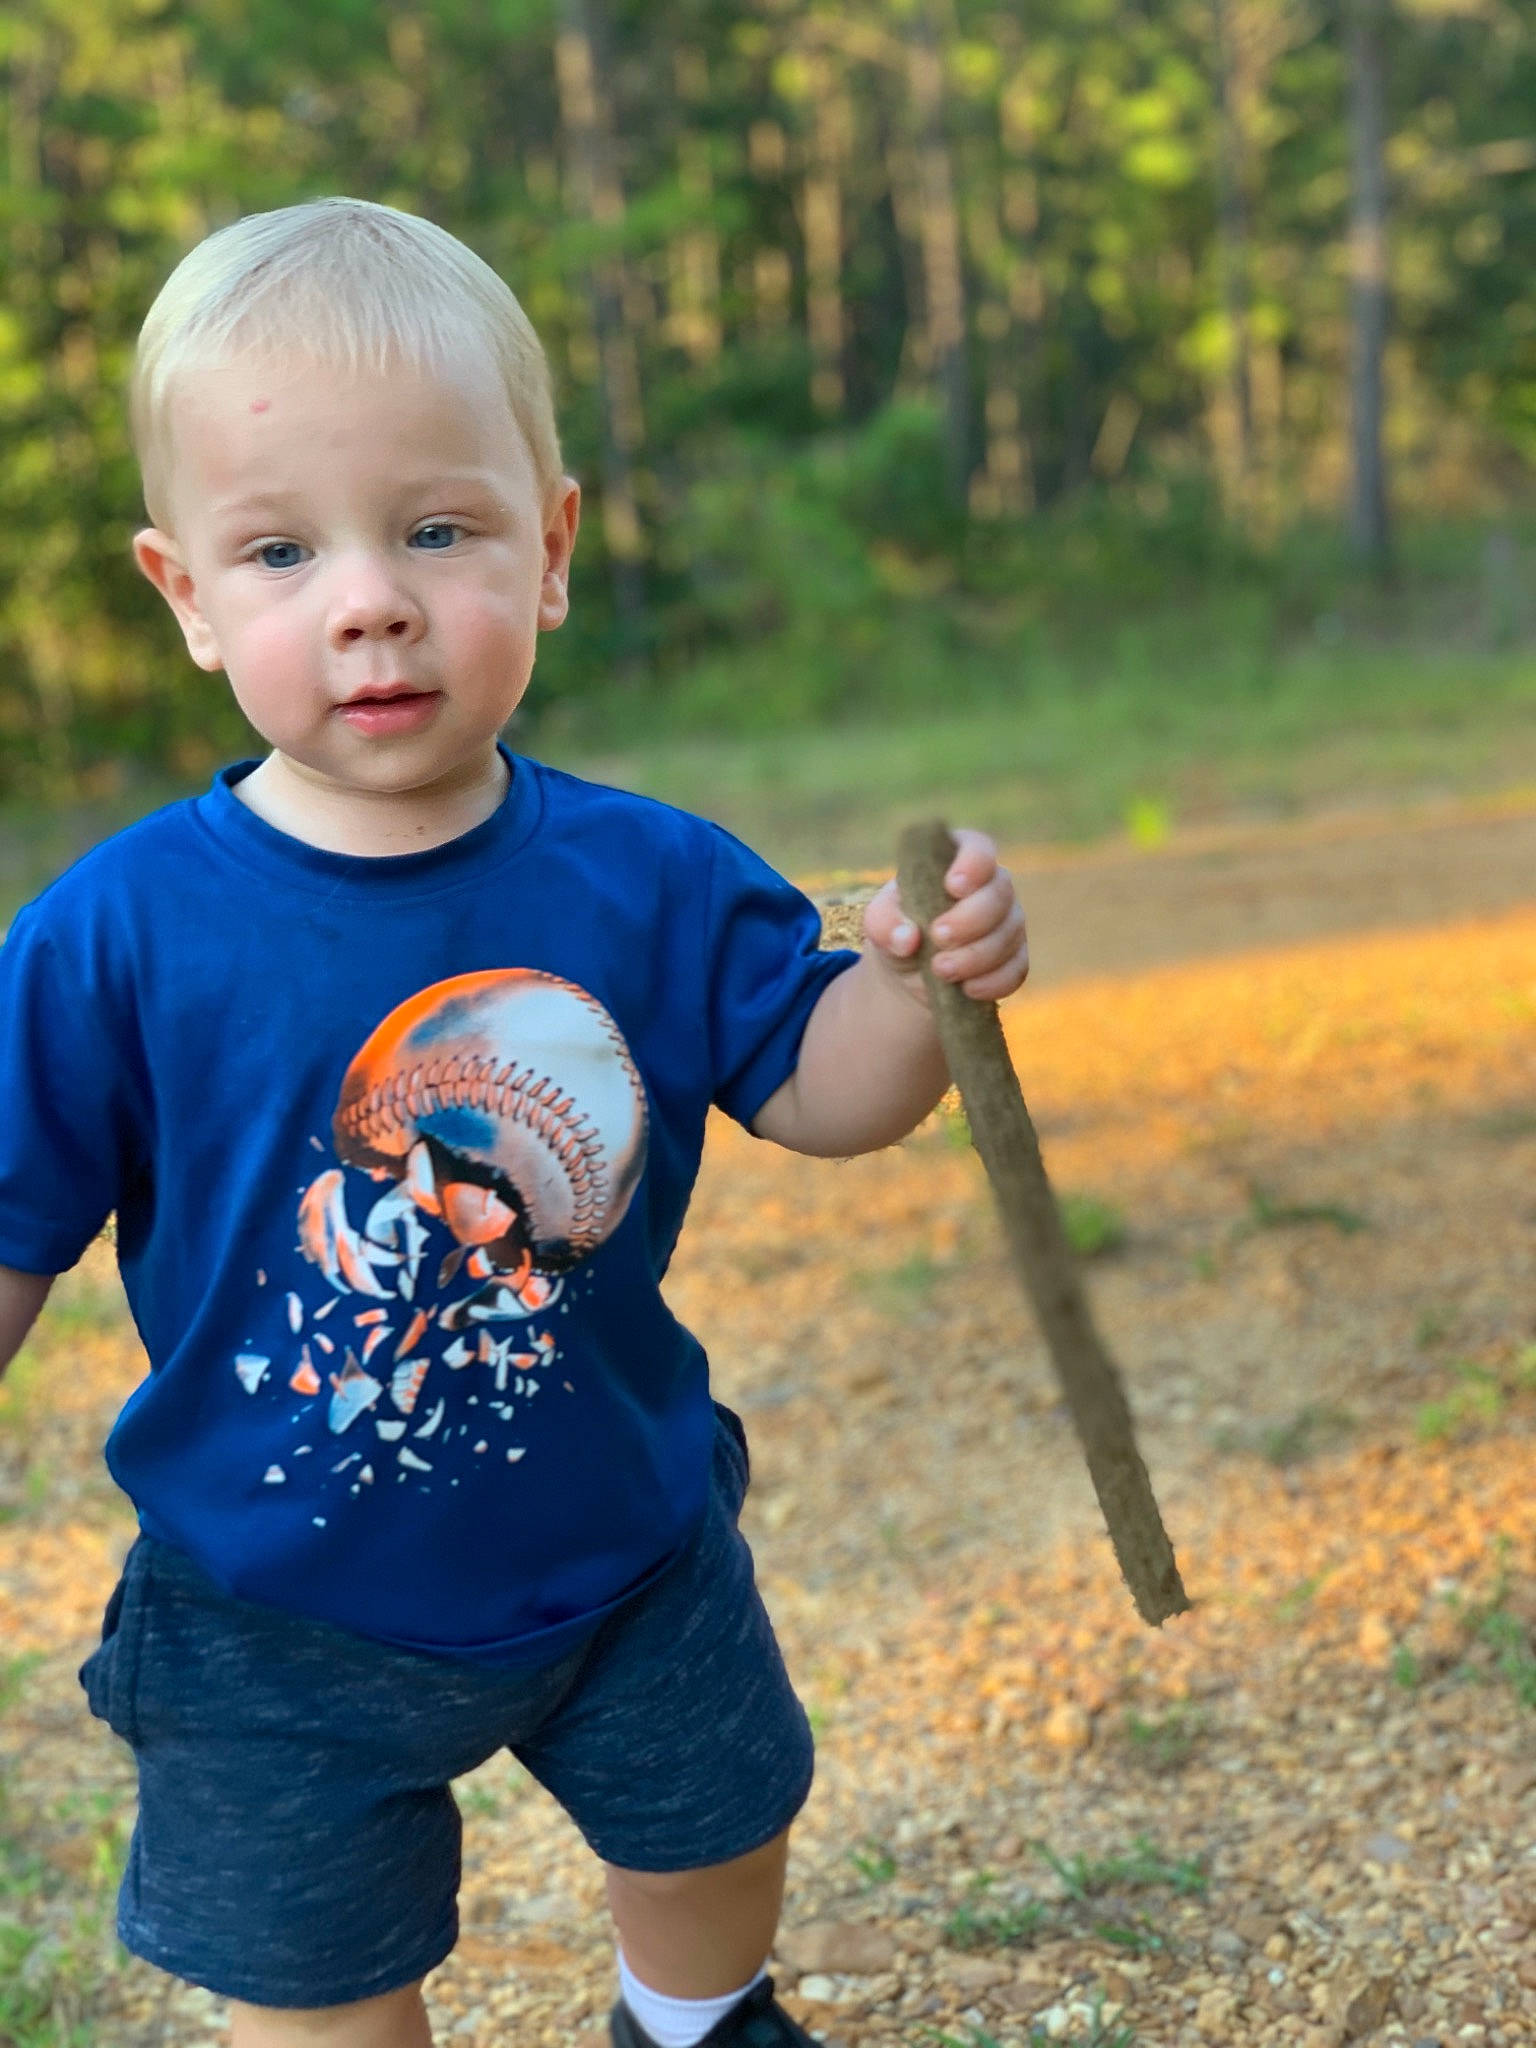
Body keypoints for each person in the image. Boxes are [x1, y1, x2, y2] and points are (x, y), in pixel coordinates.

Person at [0, 197, 1030, 2048]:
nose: (370, 596)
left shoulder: (643, 878)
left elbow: (828, 1089)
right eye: (282, 548)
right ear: (186, 598)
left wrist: (916, 991)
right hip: (270, 1601)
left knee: (721, 1819)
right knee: (314, 1980)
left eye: (437, 528)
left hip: (620, 1541)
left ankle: (691, 2019)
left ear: (548, 552)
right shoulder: (113, 938)